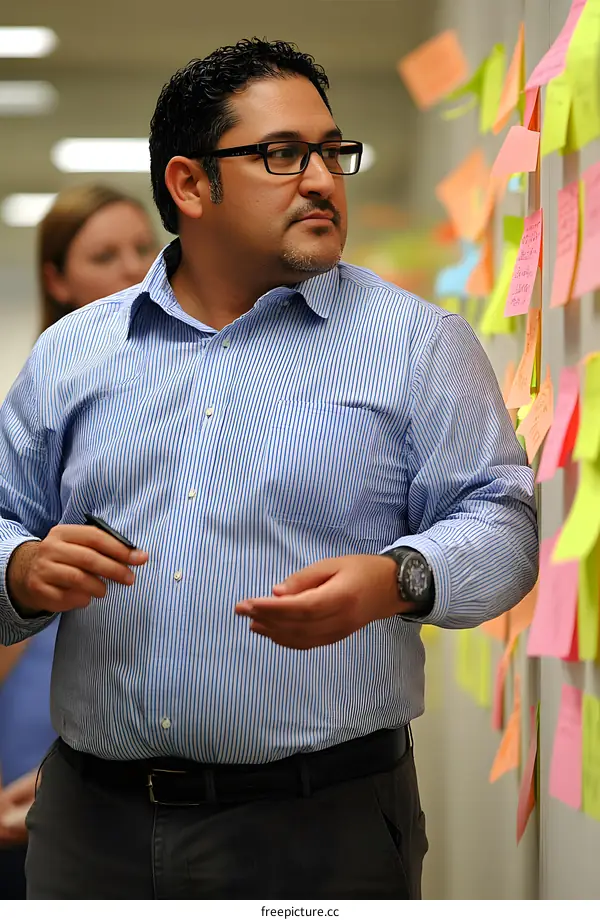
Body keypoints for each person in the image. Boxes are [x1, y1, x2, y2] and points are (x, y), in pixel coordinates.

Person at [0, 39, 538, 900]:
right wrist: (21, 570)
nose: (324, 179)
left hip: (319, 825)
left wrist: (400, 578)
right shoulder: (74, 354)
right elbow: (2, 519)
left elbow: (503, 520)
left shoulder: (415, 344)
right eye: (282, 155)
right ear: (189, 185)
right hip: (89, 828)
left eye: (333, 151)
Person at [0, 184, 157, 899]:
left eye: (142, 247)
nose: (132, 267)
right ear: (57, 280)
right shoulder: (34, 424)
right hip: (39, 756)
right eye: (104, 255)